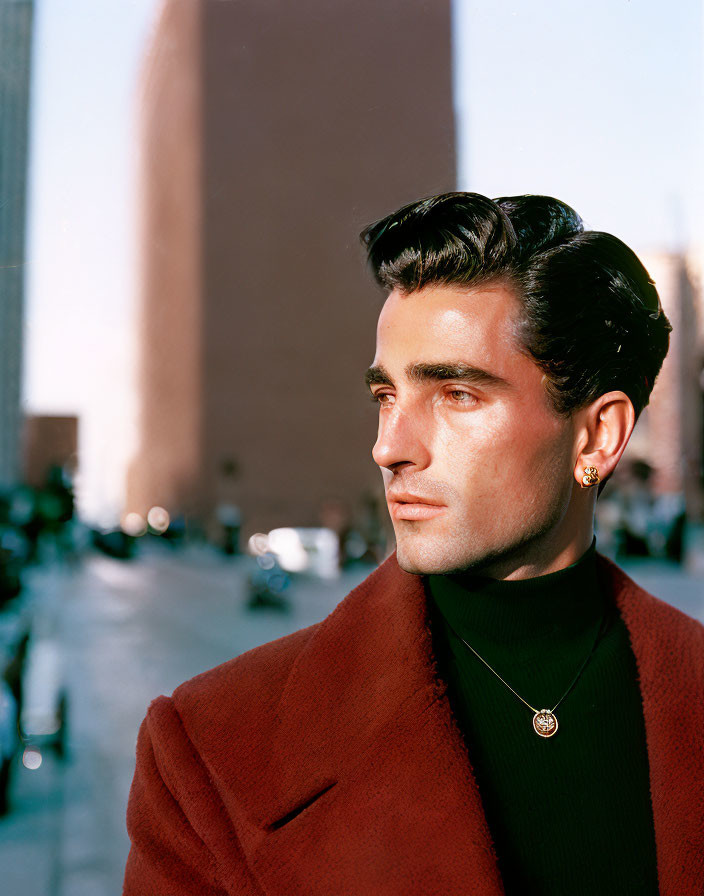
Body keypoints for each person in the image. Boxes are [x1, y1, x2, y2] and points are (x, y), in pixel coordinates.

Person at [122, 193, 704, 895]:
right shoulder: (209, 750)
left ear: (597, 436)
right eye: (385, 396)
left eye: (456, 393)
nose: (388, 446)